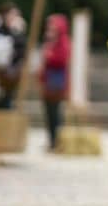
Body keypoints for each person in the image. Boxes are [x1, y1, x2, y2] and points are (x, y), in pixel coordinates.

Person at [39, 13, 71, 151]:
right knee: (49, 113)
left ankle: (58, 142)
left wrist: (50, 55)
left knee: (56, 112)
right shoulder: (49, 42)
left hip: (57, 81)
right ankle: (51, 140)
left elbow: (62, 59)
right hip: (48, 81)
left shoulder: (63, 42)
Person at [0, 2, 27, 108]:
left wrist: (17, 31)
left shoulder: (17, 33)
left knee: (7, 99)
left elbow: (22, 51)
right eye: (12, 14)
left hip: (10, 73)